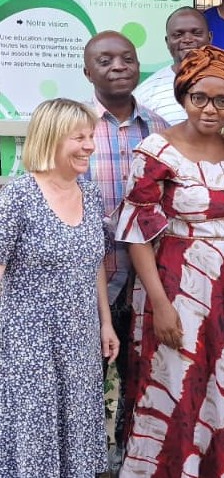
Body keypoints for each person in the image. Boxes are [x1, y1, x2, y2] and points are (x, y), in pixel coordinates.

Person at [116, 45, 224, 477]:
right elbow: (137, 235)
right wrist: (161, 305)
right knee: (176, 389)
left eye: (222, 100)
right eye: (200, 97)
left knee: (218, 390)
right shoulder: (157, 152)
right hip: (179, 291)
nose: (210, 109)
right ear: (183, 96)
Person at [0, 98, 119, 477]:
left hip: (80, 342)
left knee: (76, 438)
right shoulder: (17, 197)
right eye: (79, 138)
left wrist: (105, 323)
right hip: (28, 345)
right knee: (34, 441)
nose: (89, 146)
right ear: (51, 138)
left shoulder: (91, 194)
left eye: (90, 137)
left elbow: (93, 263)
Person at [82, 31, 168, 471]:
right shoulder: (74, 126)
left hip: (146, 277)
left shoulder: (159, 127)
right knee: (87, 378)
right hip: (89, 279)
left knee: (140, 376)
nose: (118, 66)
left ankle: (130, 460)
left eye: (127, 58)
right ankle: (88, 460)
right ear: (87, 71)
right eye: (105, 60)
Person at [134, 6, 212, 125]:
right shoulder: (146, 92)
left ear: (210, 38)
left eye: (196, 33)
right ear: (167, 42)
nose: (187, 39)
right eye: (178, 35)